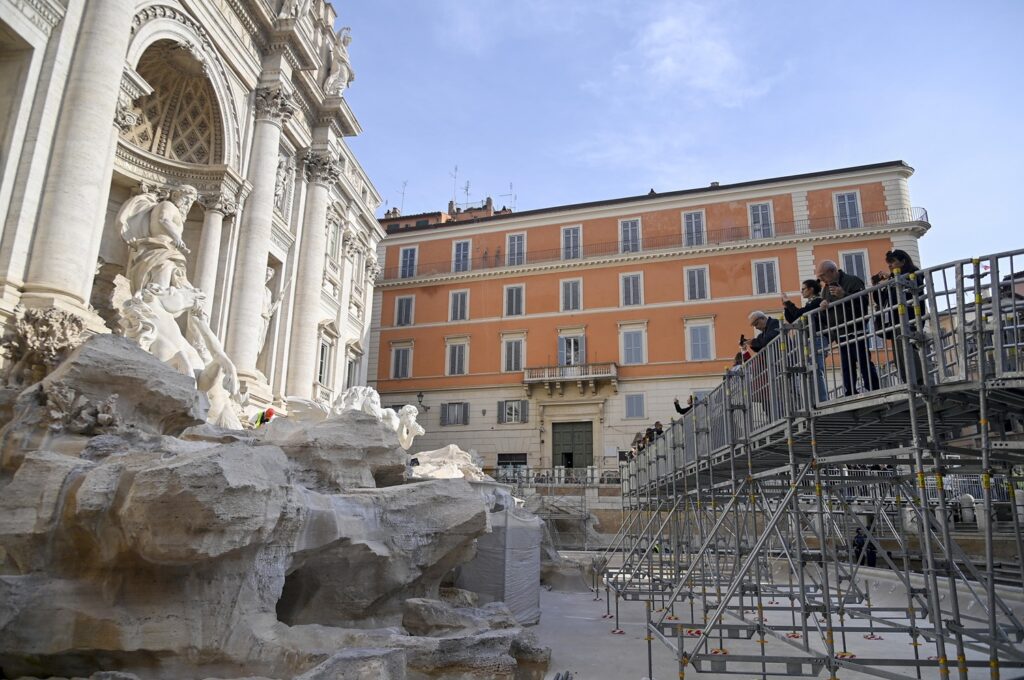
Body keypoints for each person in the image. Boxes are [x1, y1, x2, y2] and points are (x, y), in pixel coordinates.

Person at [817, 260, 880, 397]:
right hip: (840, 332)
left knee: (863, 361)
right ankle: (850, 392)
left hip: (856, 329)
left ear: (832, 271)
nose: (820, 279)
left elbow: (862, 306)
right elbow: (830, 313)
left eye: (822, 276)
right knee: (846, 365)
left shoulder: (853, 281)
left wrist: (843, 295)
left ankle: (874, 389)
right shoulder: (826, 289)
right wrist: (823, 307)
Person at [871, 249, 924, 384]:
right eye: (889, 263)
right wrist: (877, 286)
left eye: (892, 262)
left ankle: (918, 380)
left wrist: (893, 278)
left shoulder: (914, 273)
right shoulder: (892, 279)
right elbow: (882, 300)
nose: (890, 265)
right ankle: (907, 380)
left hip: (909, 317)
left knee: (908, 349)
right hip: (894, 320)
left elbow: (915, 286)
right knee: (899, 354)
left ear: (903, 261)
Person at [783, 279, 828, 402]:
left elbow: (799, 314)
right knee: (811, 370)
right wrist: (786, 306)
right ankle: (815, 401)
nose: (801, 291)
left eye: (803, 289)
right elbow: (793, 318)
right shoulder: (810, 303)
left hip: (817, 338)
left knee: (816, 369)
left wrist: (788, 303)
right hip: (811, 339)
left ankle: (822, 400)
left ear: (811, 289)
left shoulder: (817, 301)